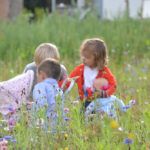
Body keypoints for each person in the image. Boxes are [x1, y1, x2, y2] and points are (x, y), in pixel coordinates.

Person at [66, 38, 134, 118]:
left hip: (101, 101)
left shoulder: (104, 71)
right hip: (87, 100)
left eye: (87, 57)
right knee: (83, 117)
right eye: (83, 56)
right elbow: (69, 80)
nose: (84, 59)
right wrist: (61, 87)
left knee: (100, 117)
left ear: (98, 59)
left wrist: (106, 92)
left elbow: (113, 84)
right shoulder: (80, 69)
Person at [31, 58, 63, 131]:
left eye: (37, 76)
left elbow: (40, 104)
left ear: (42, 75)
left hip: (43, 126)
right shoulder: (59, 90)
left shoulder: (40, 86)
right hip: (57, 127)